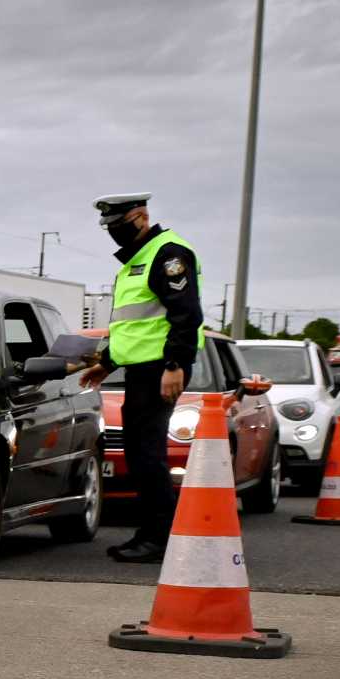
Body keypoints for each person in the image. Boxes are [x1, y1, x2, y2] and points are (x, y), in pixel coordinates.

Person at [79, 194, 203, 563]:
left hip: (159, 370)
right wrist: (108, 362)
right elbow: (134, 329)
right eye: (109, 227)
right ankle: (151, 534)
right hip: (142, 369)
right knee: (139, 453)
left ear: (141, 217)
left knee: (148, 454)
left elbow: (185, 313)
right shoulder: (137, 260)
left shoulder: (168, 254)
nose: (113, 232)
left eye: (119, 224)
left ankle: (159, 539)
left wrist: (175, 365)